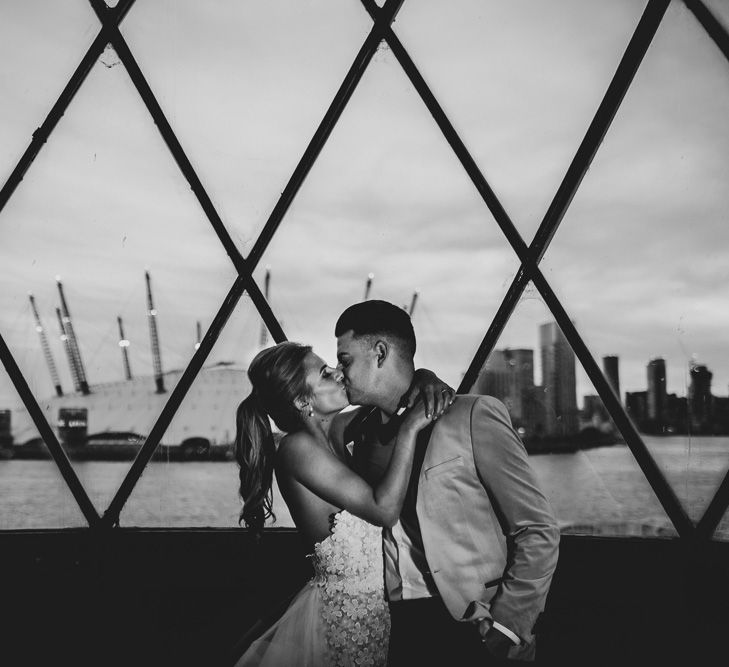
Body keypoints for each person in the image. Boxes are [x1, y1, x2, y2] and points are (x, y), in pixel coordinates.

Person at [333, 300, 560, 665]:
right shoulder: (355, 431)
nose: (341, 372)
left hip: (475, 624)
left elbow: (538, 528)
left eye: (345, 360)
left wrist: (508, 625)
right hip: (393, 629)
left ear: (380, 353)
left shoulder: (472, 415)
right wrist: (424, 375)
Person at [233, 341, 454, 666]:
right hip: (339, 624)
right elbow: (384, 510)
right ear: (302, 400)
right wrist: (409, 430)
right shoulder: (297, 450)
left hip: (370, 617)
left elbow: (386, 395)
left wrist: (424, 375)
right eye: (325, 373)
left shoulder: (334, 431)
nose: (338, 373)